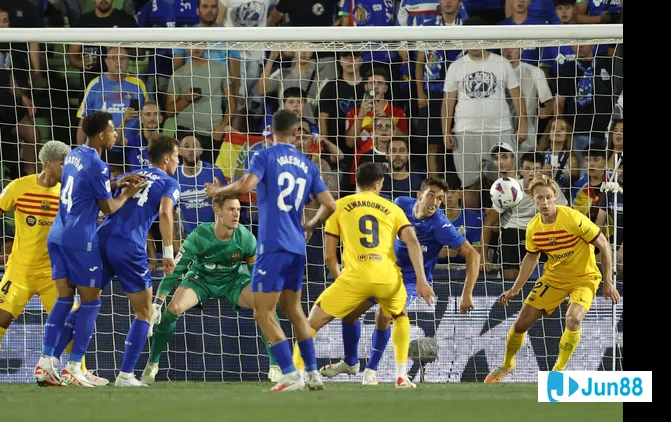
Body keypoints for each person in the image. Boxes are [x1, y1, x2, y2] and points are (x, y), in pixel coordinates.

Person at [205, 109, 336, 392]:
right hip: (297, 247)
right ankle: (312, 374)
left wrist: (218, 193)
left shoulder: (265, 155)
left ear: (271, 131)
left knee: (262, 312)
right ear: (295, 133)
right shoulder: (307, 164)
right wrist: (310, 225)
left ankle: (290, 374)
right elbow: (330, 204)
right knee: (294, 310)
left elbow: (245, 185)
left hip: (273, 245)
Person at [0, 141, 109, 387]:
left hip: (54, 272)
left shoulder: (67, 191)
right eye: (63, 164)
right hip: (20, 271)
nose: (67, 169)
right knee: (1, 319)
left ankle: (78, 371)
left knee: (69, 322)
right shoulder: (19, 187)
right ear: (49, 163)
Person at [316, 177, 481, 385]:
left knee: (384, 314)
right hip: (381, 271)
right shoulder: (400, 204)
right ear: (419, 196)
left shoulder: (440, 225)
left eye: (440, 199)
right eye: (431, 195)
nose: (435, 202)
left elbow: (473, 255)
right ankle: (350, 362)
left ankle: (371, 371)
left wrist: (467, 293)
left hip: (410, 281)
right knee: (349, 315)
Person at [290, 162, 432, 389]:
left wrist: (341, 280)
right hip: (387, 278)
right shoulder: (393, 209)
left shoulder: (337, 206)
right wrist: (422, 280)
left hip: (354, 278)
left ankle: (297, 376)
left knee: (310, 324)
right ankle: (401, 376)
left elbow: (329, 256)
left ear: (356, 181)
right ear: (378, 184)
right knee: (400, 316)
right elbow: (412, 242)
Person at [34, 111, 146, 387]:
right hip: (80, 238)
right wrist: (127, 193)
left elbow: (82, 186)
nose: (115, 134)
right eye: (112, 130)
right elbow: (108, 208)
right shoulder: (98, 164)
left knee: (63, 300)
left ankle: (46, 363)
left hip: (58, 234)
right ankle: (74, 367)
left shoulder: (72, 155)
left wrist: (115, 183)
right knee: (91, 301)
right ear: (100, 135)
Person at [485, 176, 620, 382]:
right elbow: (531, 257)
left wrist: (608, 282)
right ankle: (507, 363)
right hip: (553, 278)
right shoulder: (533, 228)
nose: (545, 202)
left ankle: (558, 370)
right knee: (521, 324)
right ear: (532, 199)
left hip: (584, 278)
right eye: (540, 198)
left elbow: (602, 243)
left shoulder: (572, 218)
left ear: (555, 196)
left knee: (573, 319)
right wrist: (515, 288)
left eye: (549, 197)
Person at [142, 196, 282, 384]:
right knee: (173, 309)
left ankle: (276, 365)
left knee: (265, 307)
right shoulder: (199, 235)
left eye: (238, 210)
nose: (236, 214)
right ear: (217, 212)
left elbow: (255, 274)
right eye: (231, 209)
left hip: (233, 280)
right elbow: (175, 271)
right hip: (201, 280)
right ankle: (153, 362)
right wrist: (157, 303)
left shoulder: (246, 238)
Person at [97, 134, 182, 387]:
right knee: (145, 312)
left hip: (102, 238)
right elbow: (166, 212)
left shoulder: (133, 173)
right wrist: (167, 254)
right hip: (129, 246)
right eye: (177, 157)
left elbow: (104, 189)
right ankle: (125, 375)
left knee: (87, 303)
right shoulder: (170, 182)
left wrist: (116, 182)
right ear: (166, 158)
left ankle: (63, 365)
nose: (177, 162)